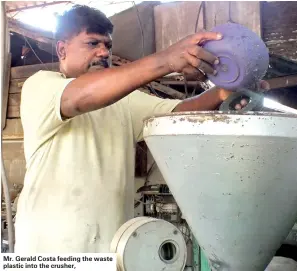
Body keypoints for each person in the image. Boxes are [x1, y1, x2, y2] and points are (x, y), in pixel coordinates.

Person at [15, 5, 269, 253]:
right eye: (93, 43)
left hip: (111, 252)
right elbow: (79, 98)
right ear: (62, 50)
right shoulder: (40, 87)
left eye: (108, 45)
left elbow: (178, 113)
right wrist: (167, 60)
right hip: (48, 252)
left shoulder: (124, 102)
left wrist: (225, 91)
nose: (104, 52)